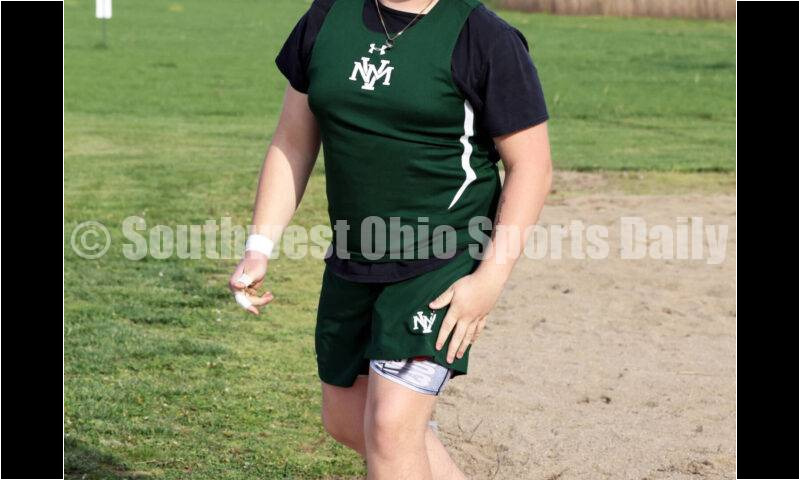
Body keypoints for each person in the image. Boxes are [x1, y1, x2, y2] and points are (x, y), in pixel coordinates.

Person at [229, 0, 552, 478]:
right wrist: (259, 248)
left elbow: (532, 166)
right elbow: (293, 139)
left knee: (389, 429)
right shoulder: (327, 18)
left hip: (442, 257)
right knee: (347, 421)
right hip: (354, 256)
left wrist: (490, 279)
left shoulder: (482, 36)